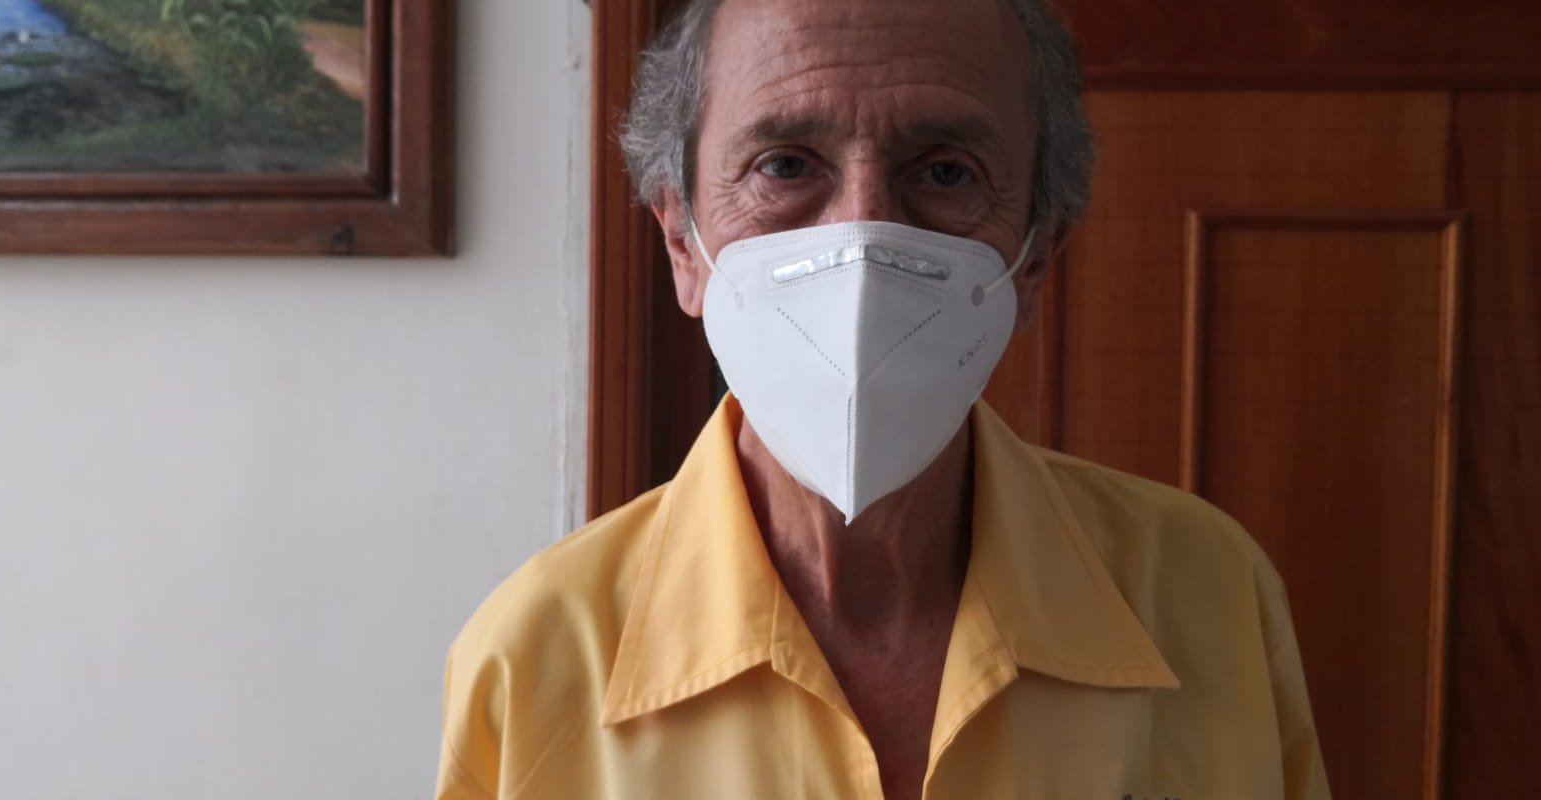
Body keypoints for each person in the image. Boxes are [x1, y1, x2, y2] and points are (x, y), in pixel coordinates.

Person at [437, 0, 1331, 797]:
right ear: (682, 242)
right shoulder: (537, 656)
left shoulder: (1211, 599)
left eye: (945, 173)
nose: (863, 238)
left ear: (1038, 256)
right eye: (785, 164)